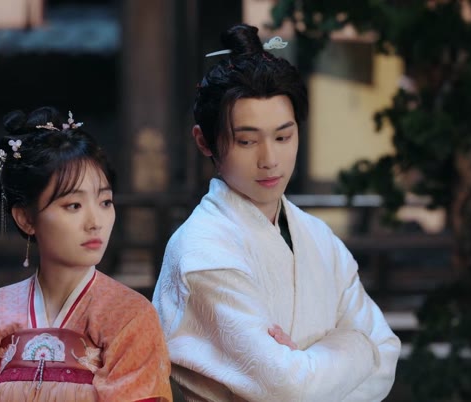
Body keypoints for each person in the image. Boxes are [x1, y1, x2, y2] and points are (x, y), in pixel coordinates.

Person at [152, 24, 401, 401]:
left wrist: (308, 365)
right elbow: (288, 388)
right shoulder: (202, 251)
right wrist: (358, 346)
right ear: (204, 141)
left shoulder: (317, 236)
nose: (270, 159)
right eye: (247, 141)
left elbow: (387, 352)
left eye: (283, 136)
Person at [0, 106, 173, 402]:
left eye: (105, 202)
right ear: (26, 218)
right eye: (73, 205)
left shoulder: (130, 317)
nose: (95, 222)